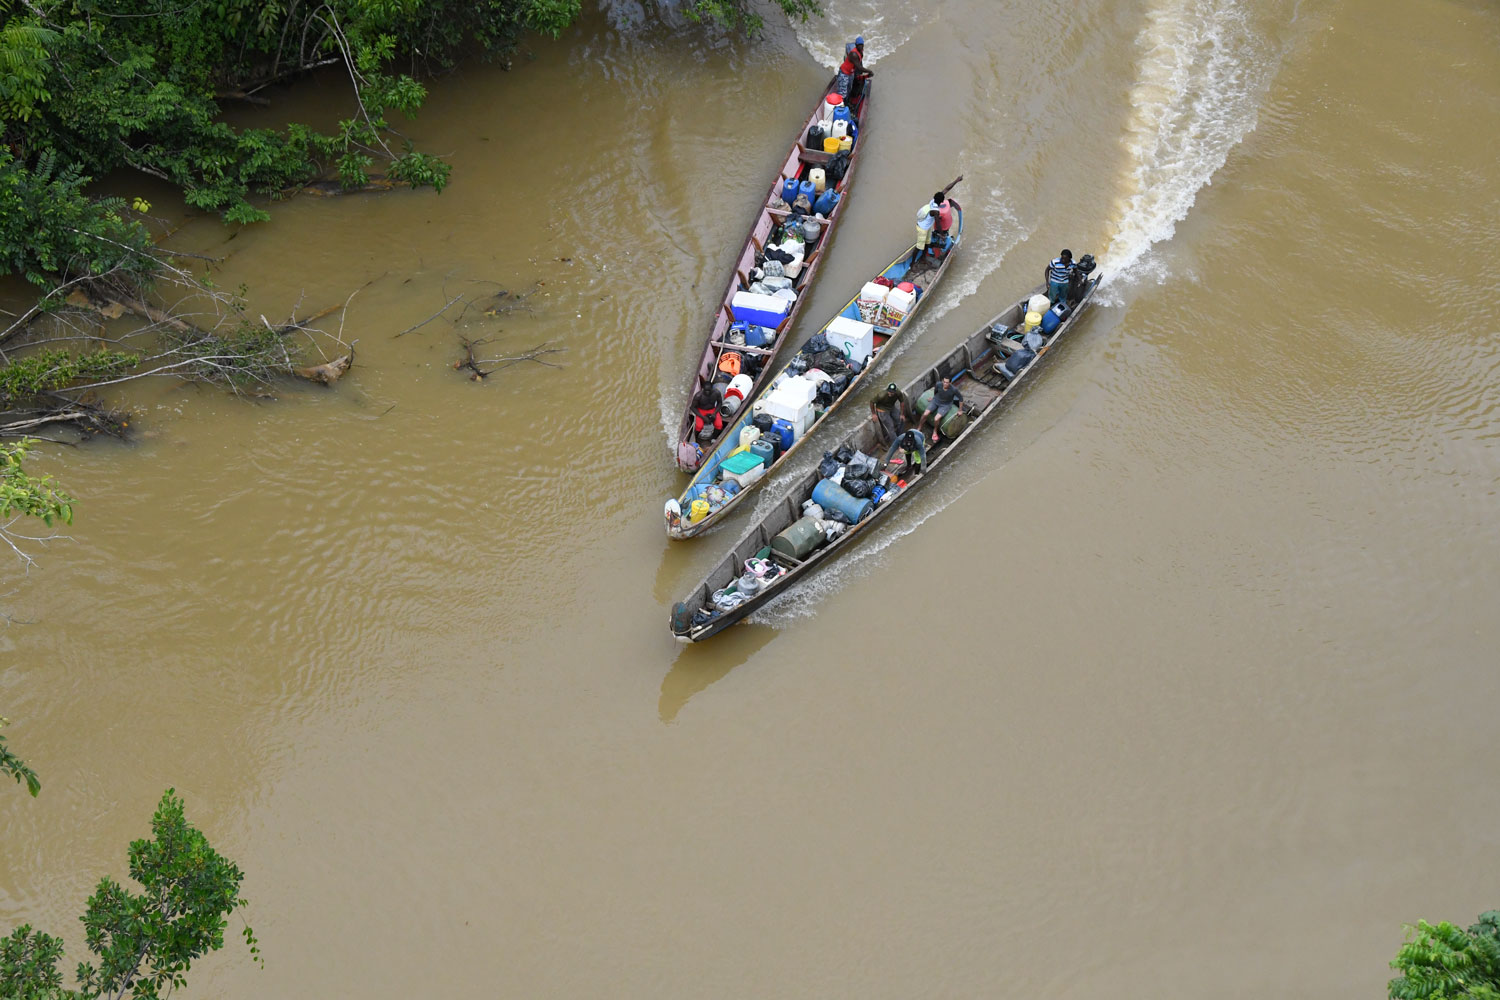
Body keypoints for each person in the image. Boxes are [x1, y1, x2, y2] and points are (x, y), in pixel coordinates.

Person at [916, 376, 962, 444]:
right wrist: (933, 398)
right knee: (925, 414)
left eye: (947, 382)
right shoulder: (938, 384)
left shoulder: (953, 390)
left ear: (950, 383)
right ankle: (919, 428)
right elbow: (936, 391)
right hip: (936, 401)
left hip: (946, 405)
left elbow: (961, 399)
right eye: (944, 382)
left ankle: (935, 431)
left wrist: (960, 410)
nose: (945, 384)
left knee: (936, 418)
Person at [840, 37, 873, 104]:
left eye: (861, 45)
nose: (860, 47)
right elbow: (859, 67)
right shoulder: (854, 54)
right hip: (844, 73)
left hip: (850, 73)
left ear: (863, 45)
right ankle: (842, 106)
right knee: (842, 93)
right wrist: (869, 71)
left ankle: (847, 102)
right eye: (859, 45)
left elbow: (859, 65)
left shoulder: (861, 52)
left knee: (849, 89)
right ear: (856, 45)